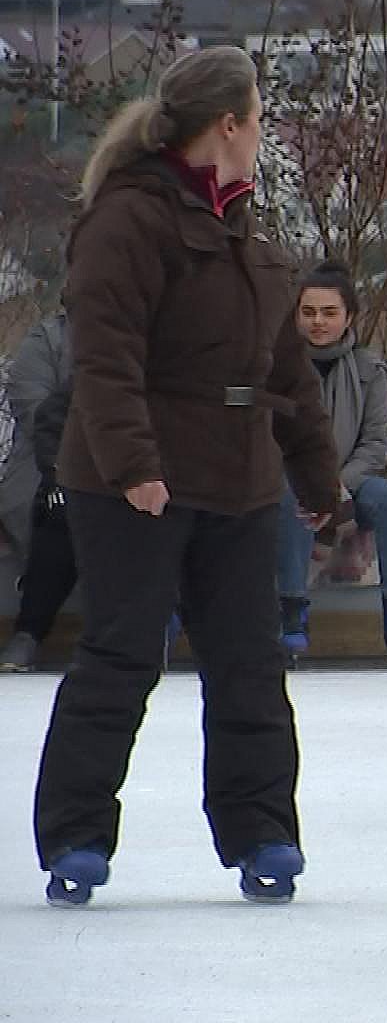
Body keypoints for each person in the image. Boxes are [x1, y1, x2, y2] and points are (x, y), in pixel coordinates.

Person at [33, 46, 339, 907]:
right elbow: (104, 355)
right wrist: (133, 464)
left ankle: (262, 834)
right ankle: (76, 837)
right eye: (259, 115)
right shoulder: (128, 219)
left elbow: (287, 371)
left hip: (238, 481)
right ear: (229, 124)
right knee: (123, 656)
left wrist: (318, 480)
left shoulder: (249, 232)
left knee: (249, 664)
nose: (264, 132)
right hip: (135, 482)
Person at [276, 260, 387, 668]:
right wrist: (312, 485)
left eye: (329, 313)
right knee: (290, 498)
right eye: (309, 312)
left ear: (349, 316)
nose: (318, 322)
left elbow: (374, 445)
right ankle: (290, 616)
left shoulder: (370, 369)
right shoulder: (276, 369)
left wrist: (335, 487)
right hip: (291, 479)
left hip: (351, 478)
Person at [1, 312, 76, 673]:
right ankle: (29, 631)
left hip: (134, 461)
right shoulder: (46, 341)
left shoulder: (151, 332)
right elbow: (40, 415)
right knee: (62, 509)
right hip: (48, 466)